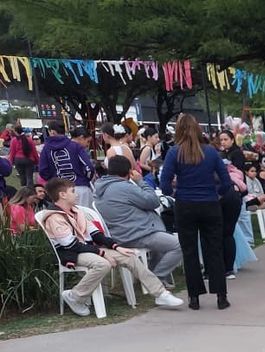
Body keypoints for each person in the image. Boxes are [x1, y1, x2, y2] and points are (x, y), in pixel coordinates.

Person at [40, 178, 184, 315]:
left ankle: (160, 294)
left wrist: (115, 247)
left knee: (130, 257)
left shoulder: (76, 211)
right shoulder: (54, 217)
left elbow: (96, 235)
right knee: (102, 264)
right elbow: (71, 245)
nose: (76, 194)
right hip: (71, 253)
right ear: (62, 195)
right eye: (72, 191)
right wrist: (102, 253)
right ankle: (75, 296)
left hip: (88, 249)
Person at [159, 112, 233, 310]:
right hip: (210, 203)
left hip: (185, 204)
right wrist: (216, 193)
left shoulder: (175, 152)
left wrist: (174, 193)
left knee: (190, 251)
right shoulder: (210, 152)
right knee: (214, 250)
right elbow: (226, 182)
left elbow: (164, 181)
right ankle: (221, 295)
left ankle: (194, 297)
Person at [93, 155, 183, 286]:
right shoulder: (124, 187)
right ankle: (155, 280)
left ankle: (151, 274)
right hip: (136, 233)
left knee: (161, 241)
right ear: (129, 172)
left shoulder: (100, 187)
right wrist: (141, 182)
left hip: (121, 232)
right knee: (179, 245)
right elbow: (153, 201)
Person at [38, 120, 96, 208]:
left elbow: (43, 170)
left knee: (66, 219)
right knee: (86, 217)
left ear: (52, 132)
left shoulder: (46, 149)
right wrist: (86, 179)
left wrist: (53, 180)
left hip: (60, 190)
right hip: (80, 187)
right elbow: (89, 167)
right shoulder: (75, 146)